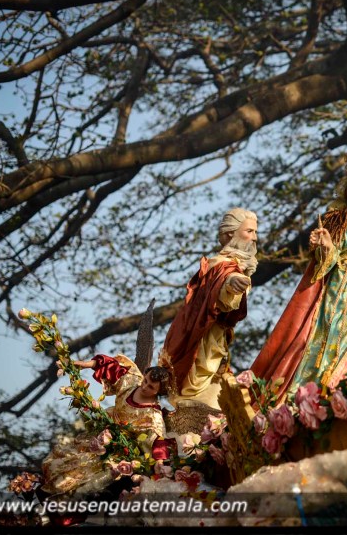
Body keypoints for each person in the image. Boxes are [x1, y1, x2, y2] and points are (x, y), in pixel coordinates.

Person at [251, 136, 347, 399]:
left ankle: (338, 389)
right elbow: (327, 262)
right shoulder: (337, 222)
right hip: (335, 288)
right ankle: (304, 393)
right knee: (321, 334)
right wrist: (325, 246)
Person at [158, 208, 258, 408]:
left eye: (255, 232)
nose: (254, 238)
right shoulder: (222, 263)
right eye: (249, 231)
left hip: (218, 336)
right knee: (200, 378)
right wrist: (231, 283)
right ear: (231, 233)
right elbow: (219, 281)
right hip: (203, 334)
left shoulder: (237, 264)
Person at [41, 355, 173, 497]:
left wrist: (159, 461)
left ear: (158, 392)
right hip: (100, 434)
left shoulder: (153, 414)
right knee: (61, 462)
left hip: (114, 449)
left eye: (151, 387)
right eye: (145, 380)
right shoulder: (133, 380)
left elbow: (157, 439)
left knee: (78, 480)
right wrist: (81, 364)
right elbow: (109, 367)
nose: (144, 386)